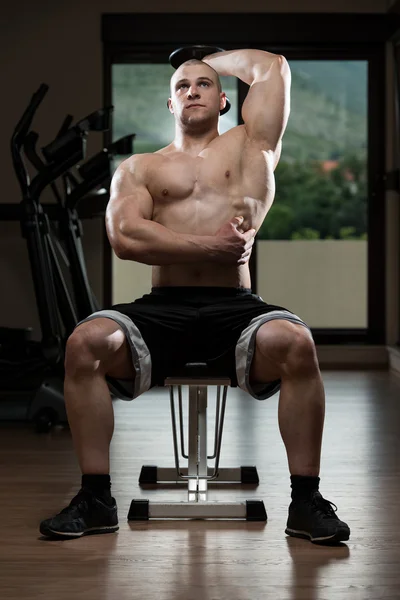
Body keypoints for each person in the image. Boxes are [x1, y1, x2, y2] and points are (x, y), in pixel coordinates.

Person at [40, 48, 350, 544]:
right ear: (169, 104)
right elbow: (125, 238)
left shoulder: (254, 148)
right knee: (85, 343)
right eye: (182, 86)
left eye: (204, 84)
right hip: (163, 308)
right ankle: (95, 498)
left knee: (296, 343)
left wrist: (203, 59)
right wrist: (211, 246)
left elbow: (273, 67)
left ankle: (306, 501)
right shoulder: (140, 169)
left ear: (226, 99)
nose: (192, 91)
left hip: (237, 309)